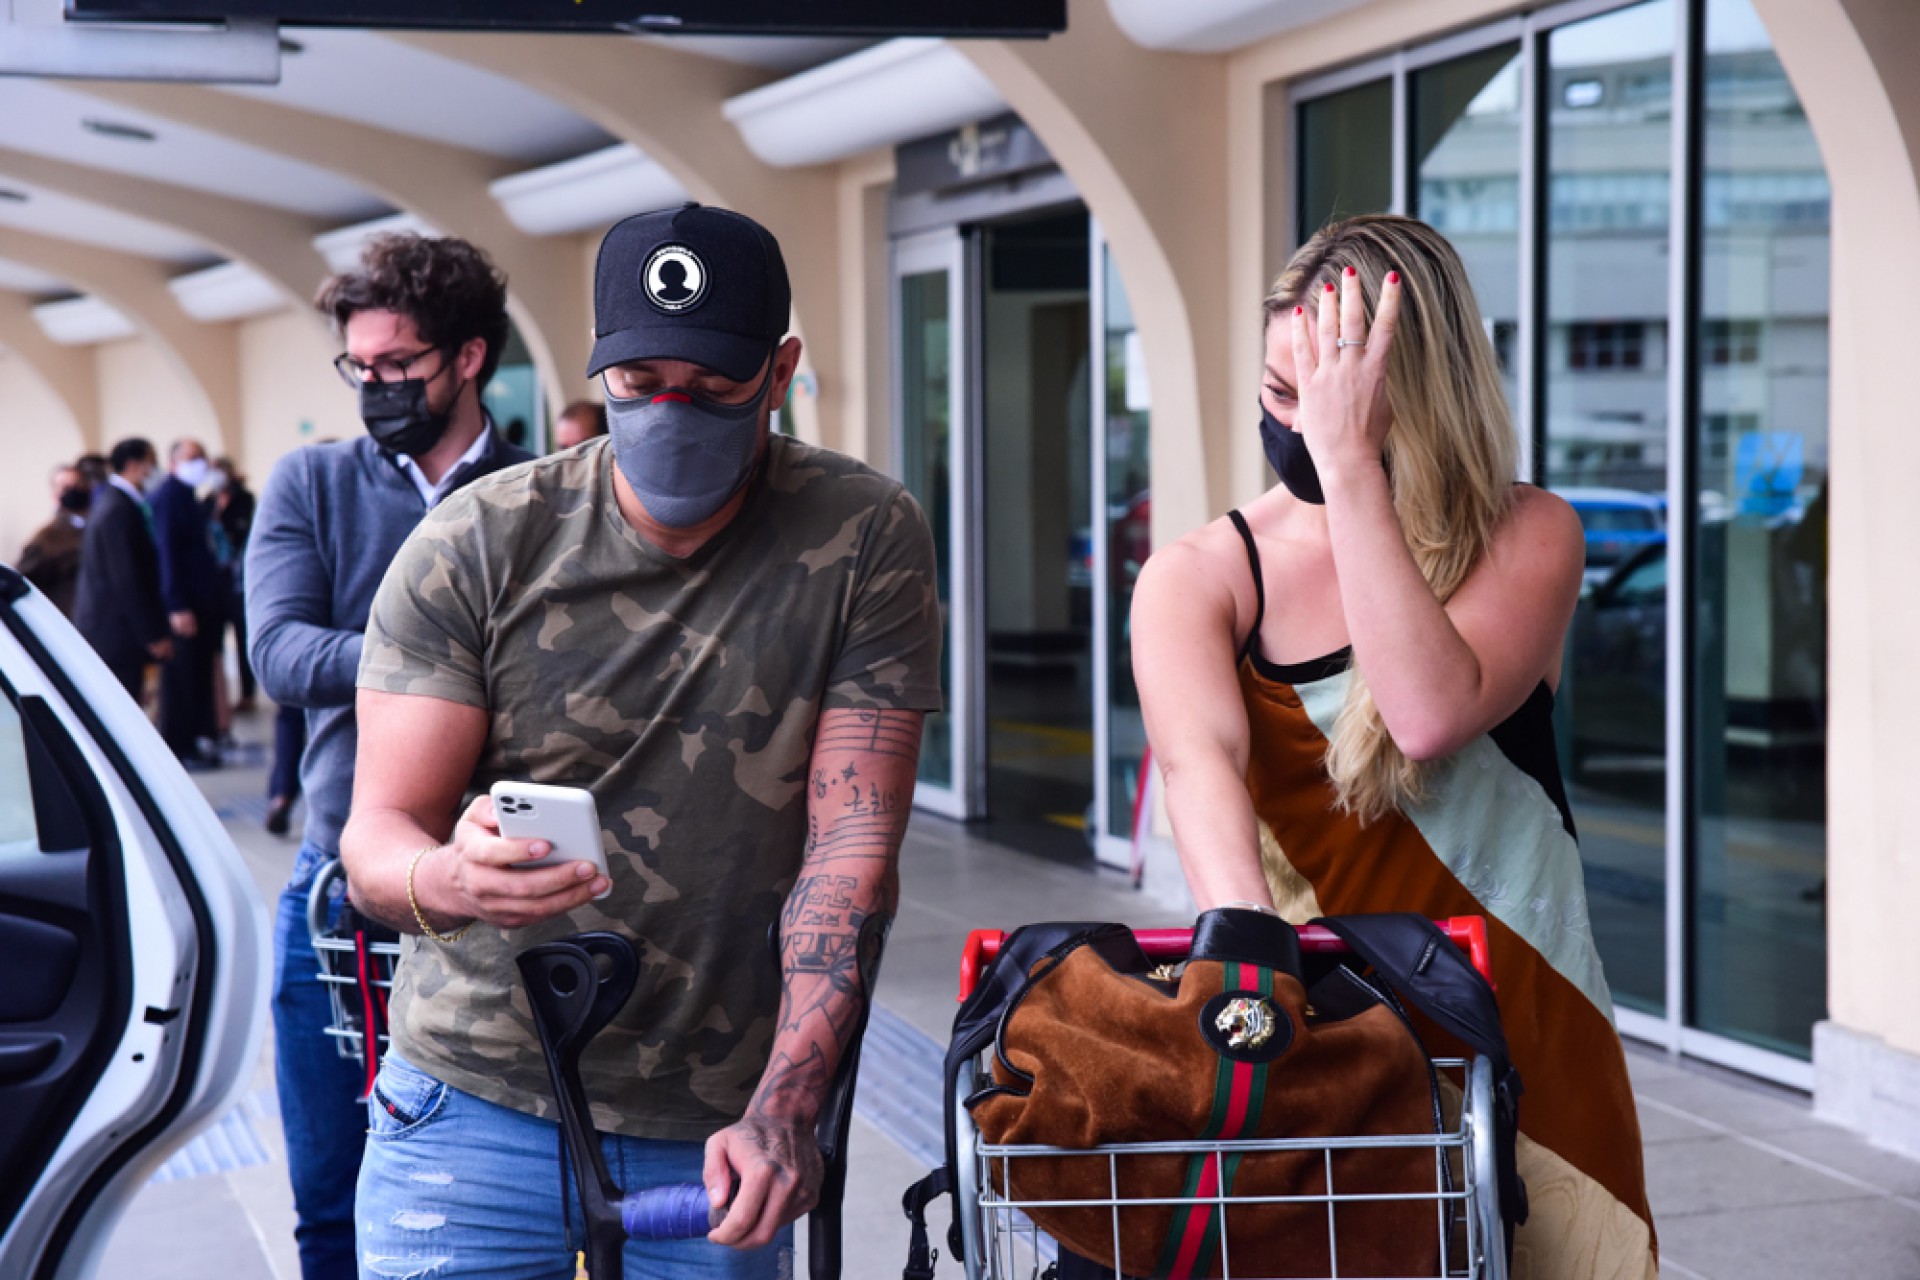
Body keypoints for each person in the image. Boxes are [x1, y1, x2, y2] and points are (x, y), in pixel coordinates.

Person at [340, 203, 942, 1279]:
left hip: (715, 1119)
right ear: (596, 368)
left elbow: (851, 852)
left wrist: (786, 1107)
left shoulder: (859, 534)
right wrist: (452, 876)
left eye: (712, 385)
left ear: (780, 366)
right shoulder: (480, 539)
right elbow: (378, 835)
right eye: (639, 381)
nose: (671, 410)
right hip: (478, 1096)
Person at [1130, 214, 1656, 1278]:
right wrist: (1247, 972)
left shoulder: (1530, 531)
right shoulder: (1205, 574)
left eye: (1326, 399)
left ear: (1407, 396)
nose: (1296, 427)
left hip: (1535, 1029)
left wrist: (1352, 464)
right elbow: (1199, 771)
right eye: (1280, 396)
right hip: (1326, 1033)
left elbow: (1422, 710)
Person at [246, 232, 534, 1280]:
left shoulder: (542, 491)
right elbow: (277, 652)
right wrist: (446, 654)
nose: (374, 386)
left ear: (467, 357)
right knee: (329, 1194)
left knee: (493, 1193)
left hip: (498, 890)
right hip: (337, 886)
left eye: (396, 367)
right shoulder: (312, 484)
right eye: (358, 368)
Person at [152, 439, 230, 769]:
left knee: (199, 674)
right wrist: (177, 605)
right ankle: (178, 744)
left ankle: (198, 739)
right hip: (186, 604)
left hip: (203, 602)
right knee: (181, 677)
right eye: (193, 458)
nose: (201, 463)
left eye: (203, 456)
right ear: (174, 463)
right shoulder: (169, 497)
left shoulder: (191, 497)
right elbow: (167, 554)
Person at [74, 439, 172, 700]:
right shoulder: (117, 509)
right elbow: (126, 578)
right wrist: (151, 633)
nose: (154, 470)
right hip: (115, 634)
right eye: (151, 463)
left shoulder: (119, 503)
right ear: (133, 465)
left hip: (117, 631)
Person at [212, 457, 258, 712]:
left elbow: (241, 530)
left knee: (243, 639)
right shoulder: (208, 500)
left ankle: (247, 693)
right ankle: (220, 702)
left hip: (239, 581)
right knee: (217, 644)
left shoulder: (244, 499)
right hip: (216, 582)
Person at [18, 464, 90, 617]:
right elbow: (23, 579)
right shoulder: (48, 537)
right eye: (66, 487)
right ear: (55, 493)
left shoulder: (92, 526)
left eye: (77, 485)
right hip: (66, 618)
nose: (73, 491)